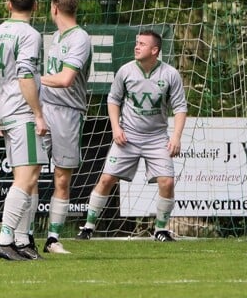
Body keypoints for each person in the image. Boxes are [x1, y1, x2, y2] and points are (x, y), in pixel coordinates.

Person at [76, 30, 186, 243]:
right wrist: (116, 128)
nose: (136, 47)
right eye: (137, 43)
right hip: (129, 136)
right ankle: (88, 226)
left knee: (167, 182)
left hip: (156, 138)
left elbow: (180, 107)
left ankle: (161, 230)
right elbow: (113, 100)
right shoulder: (125, 71)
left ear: (155, 50)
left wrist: (176, 137)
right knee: (107, 178)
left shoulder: (170, 74)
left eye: (142, 44)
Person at [0, 0, 48, 261]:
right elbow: (25, 75)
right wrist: (37, 113)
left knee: (27, 180)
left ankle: (23, 241)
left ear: (8, 4)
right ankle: (5, 238)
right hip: (23, 112)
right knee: (27, 179)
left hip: (7, 111)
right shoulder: (30, 35)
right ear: (35, 6)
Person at [38, 0, 92, 254]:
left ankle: (52, 238)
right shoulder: (55, 36)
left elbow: (65, 79)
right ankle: (20, 236)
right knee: (30, 171)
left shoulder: (80, 38)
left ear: (54, 9)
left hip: (68, 112)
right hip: (45, 108)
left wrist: (32, 79)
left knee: (61, 178)